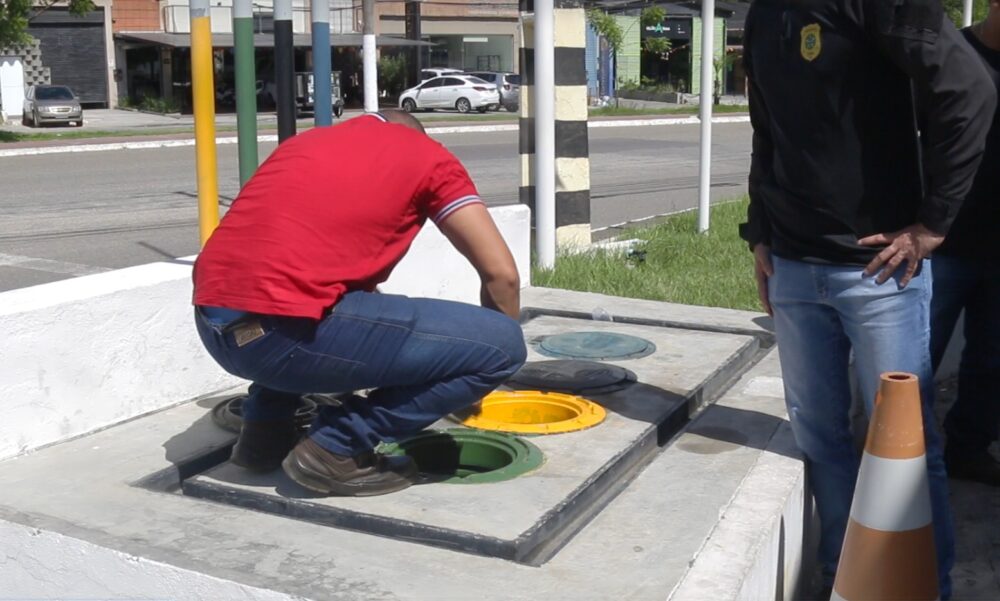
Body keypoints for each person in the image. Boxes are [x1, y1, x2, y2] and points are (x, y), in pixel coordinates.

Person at [741, 1, 996, 597]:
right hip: (795, 267)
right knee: (821, 436)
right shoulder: (763, 13)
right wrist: (760, 231)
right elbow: (766, 128)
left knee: (906, 447)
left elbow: (971, 91)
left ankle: (923, 586)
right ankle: (843, 576)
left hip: (880, 275)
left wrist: (932, 225)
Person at [192, 110, 527, 497]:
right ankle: (336, 446)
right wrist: (477, 379)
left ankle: (264, 434)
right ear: (418, 135)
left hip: (215, 328)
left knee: (304, 299)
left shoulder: (303, 145)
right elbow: (503, 277)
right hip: (282, 339)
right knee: (501, 345)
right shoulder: (428, 156)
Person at [930, 1, 1000, 487]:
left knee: (992, 362)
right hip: (942, 241)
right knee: (914, 359)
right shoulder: (952, 50)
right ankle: (901, 455)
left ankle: (968, 449)